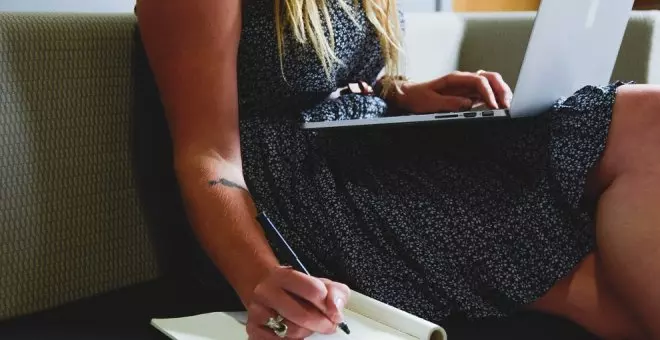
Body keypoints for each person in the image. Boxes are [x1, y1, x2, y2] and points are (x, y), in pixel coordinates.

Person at [135, 0, 660, 339]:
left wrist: (404, 94)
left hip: (366, 146)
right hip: (305, 191)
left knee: (646, 122)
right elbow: (208, 155)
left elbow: (328, 74)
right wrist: (260, 281)